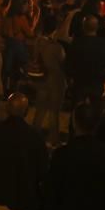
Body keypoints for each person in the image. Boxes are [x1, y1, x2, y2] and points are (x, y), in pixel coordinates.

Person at [64, 15, 105, 106]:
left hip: (79, 81)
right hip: (97, 82)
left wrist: (71, 76)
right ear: (97, 27)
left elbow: (68, 63)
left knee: (77, 108)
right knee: (95, 108)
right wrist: (104, 76)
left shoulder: (76, 43)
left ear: (83, 27)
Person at [32, 16, 67, 146]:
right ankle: (54, 140)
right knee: (54, 112)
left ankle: (34, 137)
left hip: (41, 80)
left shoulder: (38, 42)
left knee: (39, 110)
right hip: (55, 81)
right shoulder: (57, 47)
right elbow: (62, 63)